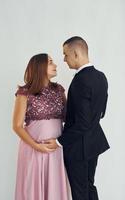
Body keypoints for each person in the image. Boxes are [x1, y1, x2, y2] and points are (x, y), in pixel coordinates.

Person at [46, 36, 110, 200]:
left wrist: (59, 141)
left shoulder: (81, 80)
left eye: (66, 55)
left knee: (80, 192)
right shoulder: (101, 76)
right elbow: (101, 112)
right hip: (94, 142)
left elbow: (82, 122)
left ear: (76, 54)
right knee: (89, 186)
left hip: (78, 147)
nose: (64, 59)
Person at [12, 54, 70, 200]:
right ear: (39, 67)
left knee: (55, 188)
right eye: (51, 62)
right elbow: (17, 126)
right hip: (33, 148)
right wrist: (37, 146)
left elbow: (69, 119)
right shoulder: (24, 92)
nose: (55, 65)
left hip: (56, 149)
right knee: (32, 188)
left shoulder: (59, 90)